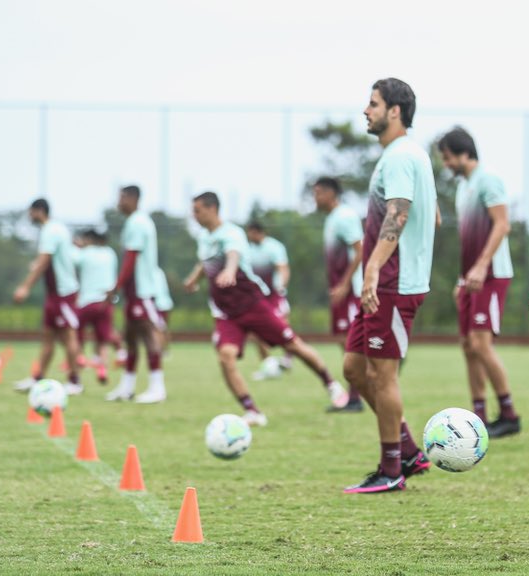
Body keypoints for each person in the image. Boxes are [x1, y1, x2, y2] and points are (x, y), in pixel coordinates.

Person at [342, 78, 437, 494]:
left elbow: (398, 214)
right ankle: (409, 452)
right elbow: (430, 216)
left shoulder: (400, 156)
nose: (366, 110)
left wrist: (372, 269)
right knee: (353, 369)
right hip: (387, 280)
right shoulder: (406, 155)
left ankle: (391, 469)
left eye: (374, 103)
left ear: (394, 111)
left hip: (393, 284)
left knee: (383, 376)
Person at [184, 191, 350, 425]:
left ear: (212, 209)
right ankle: (252, 411)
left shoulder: (231, 233)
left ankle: (331, 385)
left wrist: (230, 270)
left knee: (293, 345)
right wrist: (194, 279)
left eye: (197, 210)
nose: (194, 215)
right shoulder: (204, 237)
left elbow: (233, 254)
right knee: (225, 357)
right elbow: (206, 262)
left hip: (253, 305)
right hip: (226, 312)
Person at [438, 127, 520, 438]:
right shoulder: (464, 187)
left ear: (463, 153)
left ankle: (509, 415)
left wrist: (482, 266)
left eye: (447, 157)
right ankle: (479, 417)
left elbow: (502, 225)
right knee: (468, 347)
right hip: (470, 279)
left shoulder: (489, 179)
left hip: (492, 274)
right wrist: (462, 279)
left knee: (481, 345)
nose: (446, 163)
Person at [12, 198, 83, 395]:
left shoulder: (51, 230)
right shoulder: (55, 229)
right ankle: (38, 378)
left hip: (64, 293)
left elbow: (45, 260)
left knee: (69, 336)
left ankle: (75, 381)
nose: (29, 216)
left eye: (31, 212)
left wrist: (25, 287)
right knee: (48, 336)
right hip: (54, 294)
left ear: (40, 211)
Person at [104, 185, 167, 403]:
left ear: (133, 198)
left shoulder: (138, 222)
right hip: (134, 292)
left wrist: (116, 285)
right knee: (130, 337)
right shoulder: (134, 222)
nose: (118, 202)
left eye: (121, 198)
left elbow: (131, 258)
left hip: (143, 290)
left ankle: (157, 387)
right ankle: (127, 387)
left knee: (149, 335)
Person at [313, 176, 365, 413]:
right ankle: (355, 395)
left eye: (318, 193)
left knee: (351, 341)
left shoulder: (345, 216)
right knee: (343, 341)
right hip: (340, 291)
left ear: (331, 193)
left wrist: (344, 285)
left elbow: (360, 250)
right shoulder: (332, 218)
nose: (315, 198)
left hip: (351, 291)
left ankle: (356, 396)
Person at [244, 222, 294, 380]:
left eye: (251, 233)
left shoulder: (274, 247)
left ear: (258, 232)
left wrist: (282, 285)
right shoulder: (247, 249)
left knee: (282, 326)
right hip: (257, 297)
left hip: (274, 296)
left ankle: (288, 357)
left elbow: (283, 269)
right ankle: (268, 365)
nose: (249, 236)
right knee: (255, 331)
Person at [74, 229, 121, 385]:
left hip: (85, 302)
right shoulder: (110, 253)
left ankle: (79, 362)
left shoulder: (84, 254)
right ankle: (102, 369)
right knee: (103, 341)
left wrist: (77, 246)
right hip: (105, 302)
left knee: (76, 338)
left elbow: (72, 261)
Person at [154, 267, 174, 356]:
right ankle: (165, 350)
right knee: (164, 328)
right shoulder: (160, 271)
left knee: (159, 329)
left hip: (159, 305)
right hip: (166, 303)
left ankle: (160, 350)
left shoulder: (152, 272)